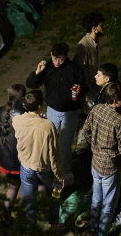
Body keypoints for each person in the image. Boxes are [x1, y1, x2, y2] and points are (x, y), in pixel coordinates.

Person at [26, 42, 85, 184]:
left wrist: (79, 90)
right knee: (50, 142)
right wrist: (38, 72)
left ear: (66, 57)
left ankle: (66, 173)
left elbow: (84, 86)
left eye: (61, 59)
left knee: (65, 145)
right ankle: (50, 169)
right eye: (55, 58)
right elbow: (31, 84)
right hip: (52, 110)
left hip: (70, 112)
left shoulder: (74, 68)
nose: (57, 62)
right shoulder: (47, 68)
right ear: (51, 55)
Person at [83, 82, 121, 236]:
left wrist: (95, 146)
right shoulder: (120, 122)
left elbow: (85, 132)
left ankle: (93, 228)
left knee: (96, 199)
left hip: (95, 163)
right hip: (110, 167)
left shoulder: (96, 109)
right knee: (109, 204)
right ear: (116, 102)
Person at [12, 90, 64, 224]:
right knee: (55, 195)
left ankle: (31, 226)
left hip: (26, 167)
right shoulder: (48, 126)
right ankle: (53, 222)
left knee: (29, 200)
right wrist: (59, 176)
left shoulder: (17, 120)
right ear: (40, 106)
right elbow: (54, 154)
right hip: (44, 168)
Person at [0, 84, 27, 209]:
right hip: (23, 160)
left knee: (12, 187)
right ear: (23, 98)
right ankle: (29, 216)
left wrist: (1, 144)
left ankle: (6, 213)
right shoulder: (26, 115)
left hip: (6, 159)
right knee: (30, 188)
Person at [76, 63, 119, 155]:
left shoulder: (109, 95)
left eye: (98, 75)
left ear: (107, 79)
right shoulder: (108, 89)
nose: (95, 76)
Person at [73, 12, 105, 100]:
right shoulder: (84, 46)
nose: (103, 27)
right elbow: (80, 71)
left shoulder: (95, 41)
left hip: (95, 84)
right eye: (101, 25)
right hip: (89, 90)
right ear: (94, 29)